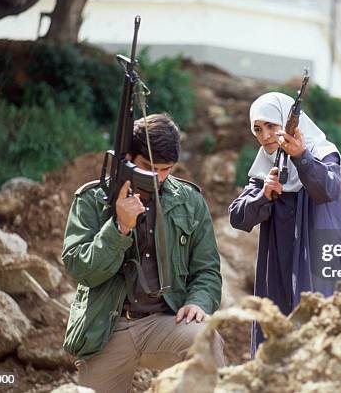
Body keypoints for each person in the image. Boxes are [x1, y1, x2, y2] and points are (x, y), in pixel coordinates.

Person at [62, 113, 224, 392]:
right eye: (149, 167)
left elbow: (207, 270)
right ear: (127, 158)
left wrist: (199, 302)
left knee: (206, 341)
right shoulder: (92, 199)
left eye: (167, 169)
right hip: (107, 329)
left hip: (166, 323)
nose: (158, 178)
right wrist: (119, 229)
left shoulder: (190, 201)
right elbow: (81, 270)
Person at [228, 92, 341, 356]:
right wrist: (263, 195)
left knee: (318, 341)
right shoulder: (265, 166)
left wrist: (302, 157)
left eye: (272, 126)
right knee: (276, 343)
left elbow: (329, 189)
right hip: (278, 269)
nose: (265, 135)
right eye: (258, 129)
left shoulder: (323, 153)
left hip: (318, 263)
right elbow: (237, 216)